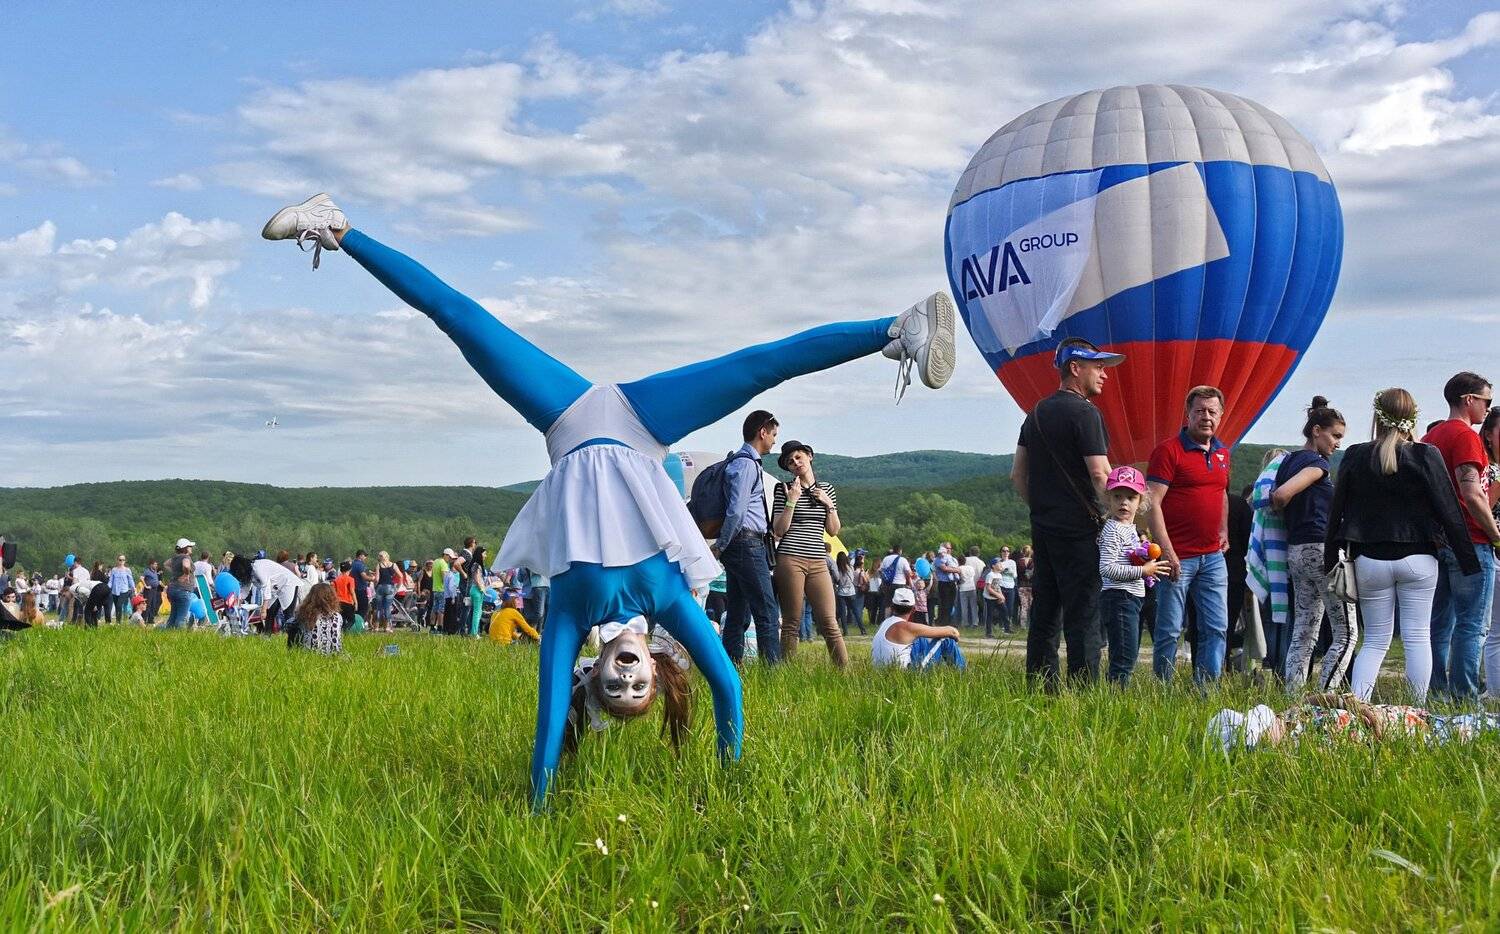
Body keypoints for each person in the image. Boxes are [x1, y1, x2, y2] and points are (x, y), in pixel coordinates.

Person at [263, 192, 955, 807]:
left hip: (566, 418)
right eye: (639, 686)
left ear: (592, 674)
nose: (626, 678)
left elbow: (547, 731)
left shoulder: (570, 615)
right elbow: (727, 688)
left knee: (460, 318)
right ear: (654, 669)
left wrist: (539, 803)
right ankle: (898, 330)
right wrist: (730, 782)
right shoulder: (668, 603)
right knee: (761, 365)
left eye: (613, 687)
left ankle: (336, 227)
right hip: (643, 423)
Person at [1331, 388, 1480, 703]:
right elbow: (1449, 510)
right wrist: (1468, 561)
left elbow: (1337, 509)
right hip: (1419, 559)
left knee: (1374, 641)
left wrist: (1330, 558)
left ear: (1377, 416)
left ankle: (1357, 709)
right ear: (1413, 418)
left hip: (1369, 560)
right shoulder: (1426, 455)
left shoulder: (1356, 455)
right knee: (1417, 638)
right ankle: (1416, 713)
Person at [1012, 338, 1120, 688]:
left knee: (1045, 613)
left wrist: (1043, 509)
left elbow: (1018, 475)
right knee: (1083, 615)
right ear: (1075, 368)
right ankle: (1084, 692)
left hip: (1043, 529)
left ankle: (1041, 688)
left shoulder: (1035, 413)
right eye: (1098, 366)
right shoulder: (1086, 413)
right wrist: (1119, 520)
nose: (1104, 374)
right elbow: (1100, 475)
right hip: (1081, 529)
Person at [1421, 372, 1500, 700]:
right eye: (1486, 400)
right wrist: (1495, 535)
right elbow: (1472, 491)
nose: (1488, 408)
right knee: (1473, 625)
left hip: (1438, 542)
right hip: (1471, 541)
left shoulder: (1430, 437)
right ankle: (1463, 695)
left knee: (1440, 623)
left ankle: (1436, 691)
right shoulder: (1465, 436)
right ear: (1469, 399)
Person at [1146, 386, 1232, 683]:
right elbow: (1152, 502)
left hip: (1212, 556)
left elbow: (1221, 492)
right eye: (1199, 411)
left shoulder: (1222, 453)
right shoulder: (1168, 451)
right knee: (1170, 629)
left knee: (1216, 627)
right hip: (1178, 555)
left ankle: (1206, 689)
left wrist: (1223, 528)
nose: (1206, 417)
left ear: (1221, 414)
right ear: (1188, 414)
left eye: (1212, 411)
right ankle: (1163, 690)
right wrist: (1167, 550)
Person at [1273, 397, 1352, 693]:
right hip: (1321, 549)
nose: (1338, 444)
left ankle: (1293, 696)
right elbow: (1281, 495)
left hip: (1296, 550)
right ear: (1317, 431)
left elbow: (1279, 497)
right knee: (1346, 633)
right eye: (1335, 436)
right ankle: (1325, 695)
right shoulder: (1317, 465)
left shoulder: (1287, 461)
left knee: (1304, 630)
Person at [771, 440, 847, 666]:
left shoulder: (827, 489)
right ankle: (788, 673)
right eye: (790, 462)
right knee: (791, 622)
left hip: (818, 560)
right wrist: (791, 501)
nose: (795, 463)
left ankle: (845, 673)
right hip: (790, 559)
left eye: (798, 457)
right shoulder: (783, 489)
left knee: (829, 622)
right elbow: (778, 530)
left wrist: (828, 504)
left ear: (809, 456)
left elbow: (833, 530)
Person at [716, 411, 782, 666]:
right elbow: (737, 511)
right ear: (762, 432)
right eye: (773, 434)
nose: (774, 440)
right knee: (767, 612)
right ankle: (772, 672)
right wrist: (720, 545)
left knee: (737, 612)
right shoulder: (745, 465)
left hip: (741, 544)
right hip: (746, 543)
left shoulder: (743, 462)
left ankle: (730, 666)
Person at [1097, 466, 1171, 684]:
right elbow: (1107, 568)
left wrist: (1146, 571)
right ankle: (1116, 695)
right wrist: (1143, 571)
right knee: (1124, 657)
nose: (1124, 503)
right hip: (1118, 596)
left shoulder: (1129, 529)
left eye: (1131, 497)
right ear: (1108, 499)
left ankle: (1116, 690)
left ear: (1141, 501)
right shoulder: (1112, 530)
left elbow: (1127, 560)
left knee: (1128, 653)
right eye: (1117, 496)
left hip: (1130, 597)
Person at [871, 587, 965, 670]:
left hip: (883, 671)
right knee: (945, 639)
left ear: (892, 607)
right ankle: (961, 673)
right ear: (913, 609)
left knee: (921, 639)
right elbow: (953, 632)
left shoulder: (885, 623)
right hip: (905, 674)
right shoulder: (908, 628)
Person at [292, 582, 344, 655]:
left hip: (309, 654)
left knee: (293, 629)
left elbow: (288, 625)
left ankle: (292, 652)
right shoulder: (337, 616)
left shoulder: (305, 614)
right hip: (334, 655)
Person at [162, 539, 197, 630]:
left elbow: (165, 564)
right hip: (183, 590)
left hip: (173, 589)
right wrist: (186, 574)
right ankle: (179, 635)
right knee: (181, 618)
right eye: (189, 546)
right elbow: (186, 565)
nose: (191, 548)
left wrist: (175, 572)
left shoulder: (175, 558)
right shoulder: (186, 557)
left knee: (173, 617)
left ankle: (167, 633)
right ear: (185, 548)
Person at [833, 550, 863, 636]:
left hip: (841, 592)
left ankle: (845, 631)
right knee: (856, 611)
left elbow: (837, 580)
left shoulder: (838, 569)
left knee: (843, 613)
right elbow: (852, 578)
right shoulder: (850, 567)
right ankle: (862, 629)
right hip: (851, 591)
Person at [878, 544, 914, 614]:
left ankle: (887, 619)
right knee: (899, 604)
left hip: (888, 584)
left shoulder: (886, 559)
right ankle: (897, 618)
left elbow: (880, 570)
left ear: (893, 550)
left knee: (888, 604)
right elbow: (908, 573)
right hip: (900, 584)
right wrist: (909, 583)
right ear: (900, 551)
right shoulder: (903, 560)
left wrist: (884, 580)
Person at [370, 551, 398, 633]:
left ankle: (376, 627)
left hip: (380, 587)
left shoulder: (379, 565)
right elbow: (400, 576)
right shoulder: (393, 565)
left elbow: (377, 579)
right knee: (387, 608)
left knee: (379, 608)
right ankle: (387, 627)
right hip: (390, 587)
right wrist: (397, 588)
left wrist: (375, 586)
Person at [994, 546, 1018, 633]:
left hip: (1010, 586)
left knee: (1010, 608)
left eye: (1007, 551)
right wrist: (1001, 570)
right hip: (1001, 586)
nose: (1005, 552)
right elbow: (995, 573)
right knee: (1002, 607)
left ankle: (1008, 626)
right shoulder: (998, 562)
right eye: (1004, 551)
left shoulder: (1012, 562)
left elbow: (1015, 575)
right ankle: (1002, 626)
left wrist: (1008, 571)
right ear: (1001, 552)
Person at [105, 555, 134, 624]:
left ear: (125, 561)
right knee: (117, 606)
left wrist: (133, 587)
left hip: (124, 590)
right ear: (117, 560)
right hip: (115, 591)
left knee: (119, 605)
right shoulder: (114, 570)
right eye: (120, 560)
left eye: (123, 560)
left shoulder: (127, 570)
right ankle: (118, 622)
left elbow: (130, 580)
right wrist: (107, 587)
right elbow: (111, 580)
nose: (121, 561)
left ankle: (118, 623)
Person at [981, 559, 1006, 637]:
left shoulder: (999, 575)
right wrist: (999, 595)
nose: (1001, 565)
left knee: (1004, 611)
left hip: (997, 597)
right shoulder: (990, 575)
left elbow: (998, 587)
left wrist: (1001, 596)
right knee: (990, 615)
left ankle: (1006, 628)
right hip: (989, 598)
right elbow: (988, 588)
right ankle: (988, 633)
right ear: (993, 566)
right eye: (999, 563)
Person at [332, 560, 358, 629]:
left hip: (338, 602)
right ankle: (345, 630)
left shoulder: (336, 579)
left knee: (342, 620)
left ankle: (341, 632)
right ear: (350, 569)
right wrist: (356, 602)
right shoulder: (350, 579)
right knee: (352, 620)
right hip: (347, 602)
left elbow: (333, 591)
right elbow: (352, 591)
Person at [140, 560, 162, 626]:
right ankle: (144, 619)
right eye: (155, 564)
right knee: (147, 604)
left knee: (153, 604)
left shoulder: (155, 572)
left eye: (156, 564)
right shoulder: (147, 571)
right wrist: (145, 586)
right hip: (149, 590)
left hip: (155, 590)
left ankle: (151, 620)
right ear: (151, 565)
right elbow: (141, 578)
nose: (156, 565)